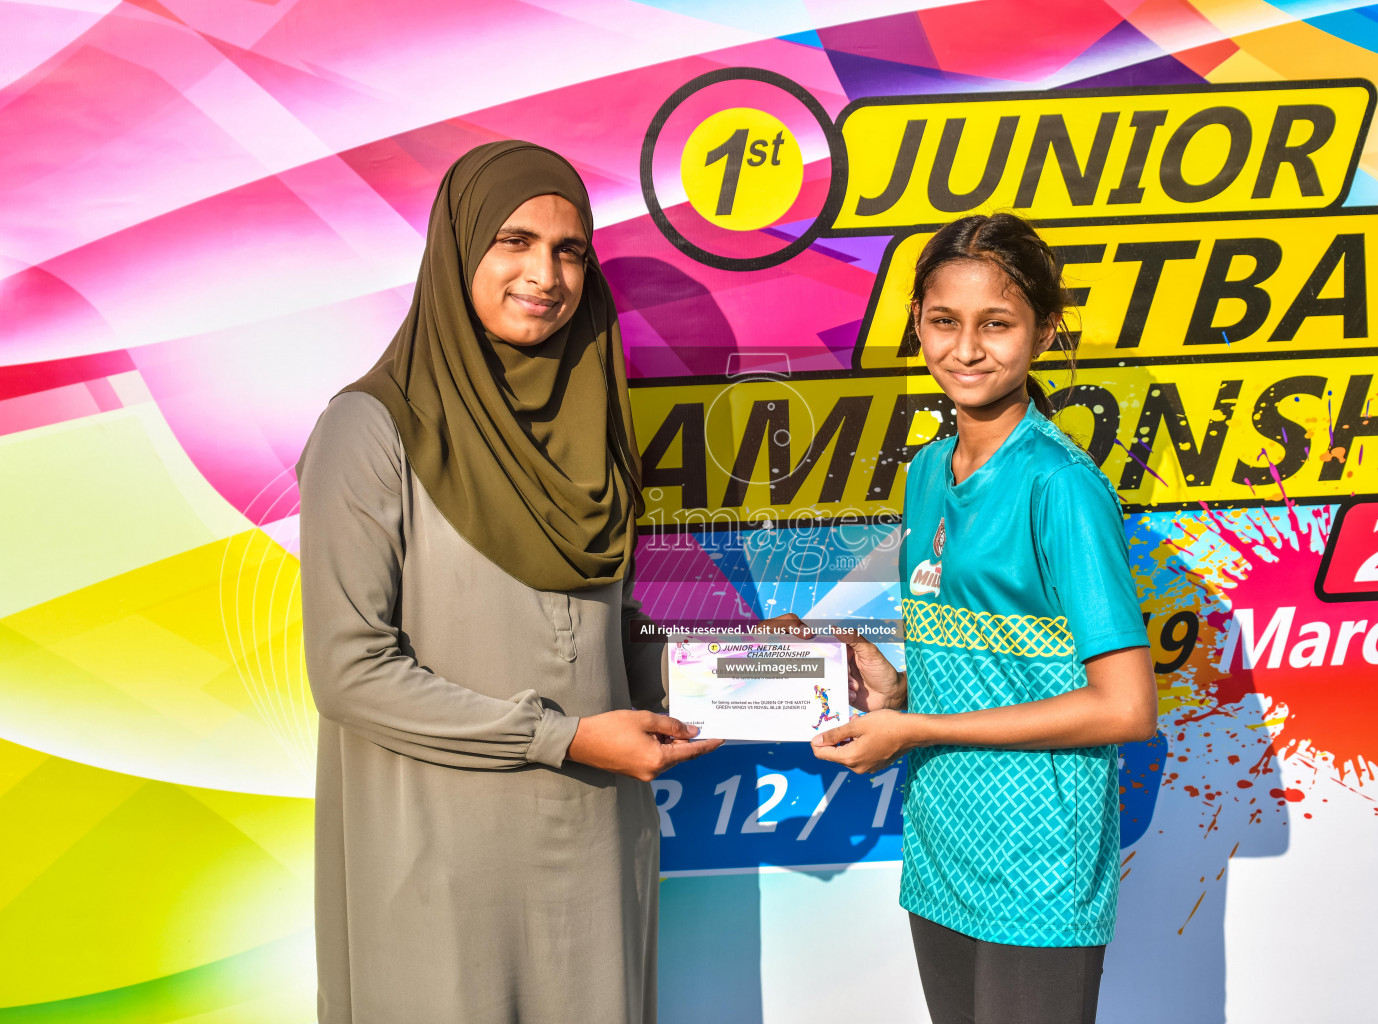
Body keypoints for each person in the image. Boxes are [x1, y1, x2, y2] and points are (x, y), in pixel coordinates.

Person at [297, 141, 720, 1024]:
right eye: (515, 241)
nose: (546, 274)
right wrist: (560, 738)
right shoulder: (372, 431)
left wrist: (770, 667)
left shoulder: (590, 424)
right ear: (458, 252)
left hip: (595, 853)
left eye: (570, 250)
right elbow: (350, 673)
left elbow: (609, 630)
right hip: (442, 867)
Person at [779, 212, 1157, 1024]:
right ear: (916, 321)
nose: (967, 348)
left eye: (998, 324)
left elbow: (1125, 706)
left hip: (1040, 864)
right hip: (946, 850)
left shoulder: (1061, 485)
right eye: (944, 322)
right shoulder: (924, 473)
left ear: (1046, 331)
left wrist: (919, 733)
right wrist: (898, 695)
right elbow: (1002, 668)